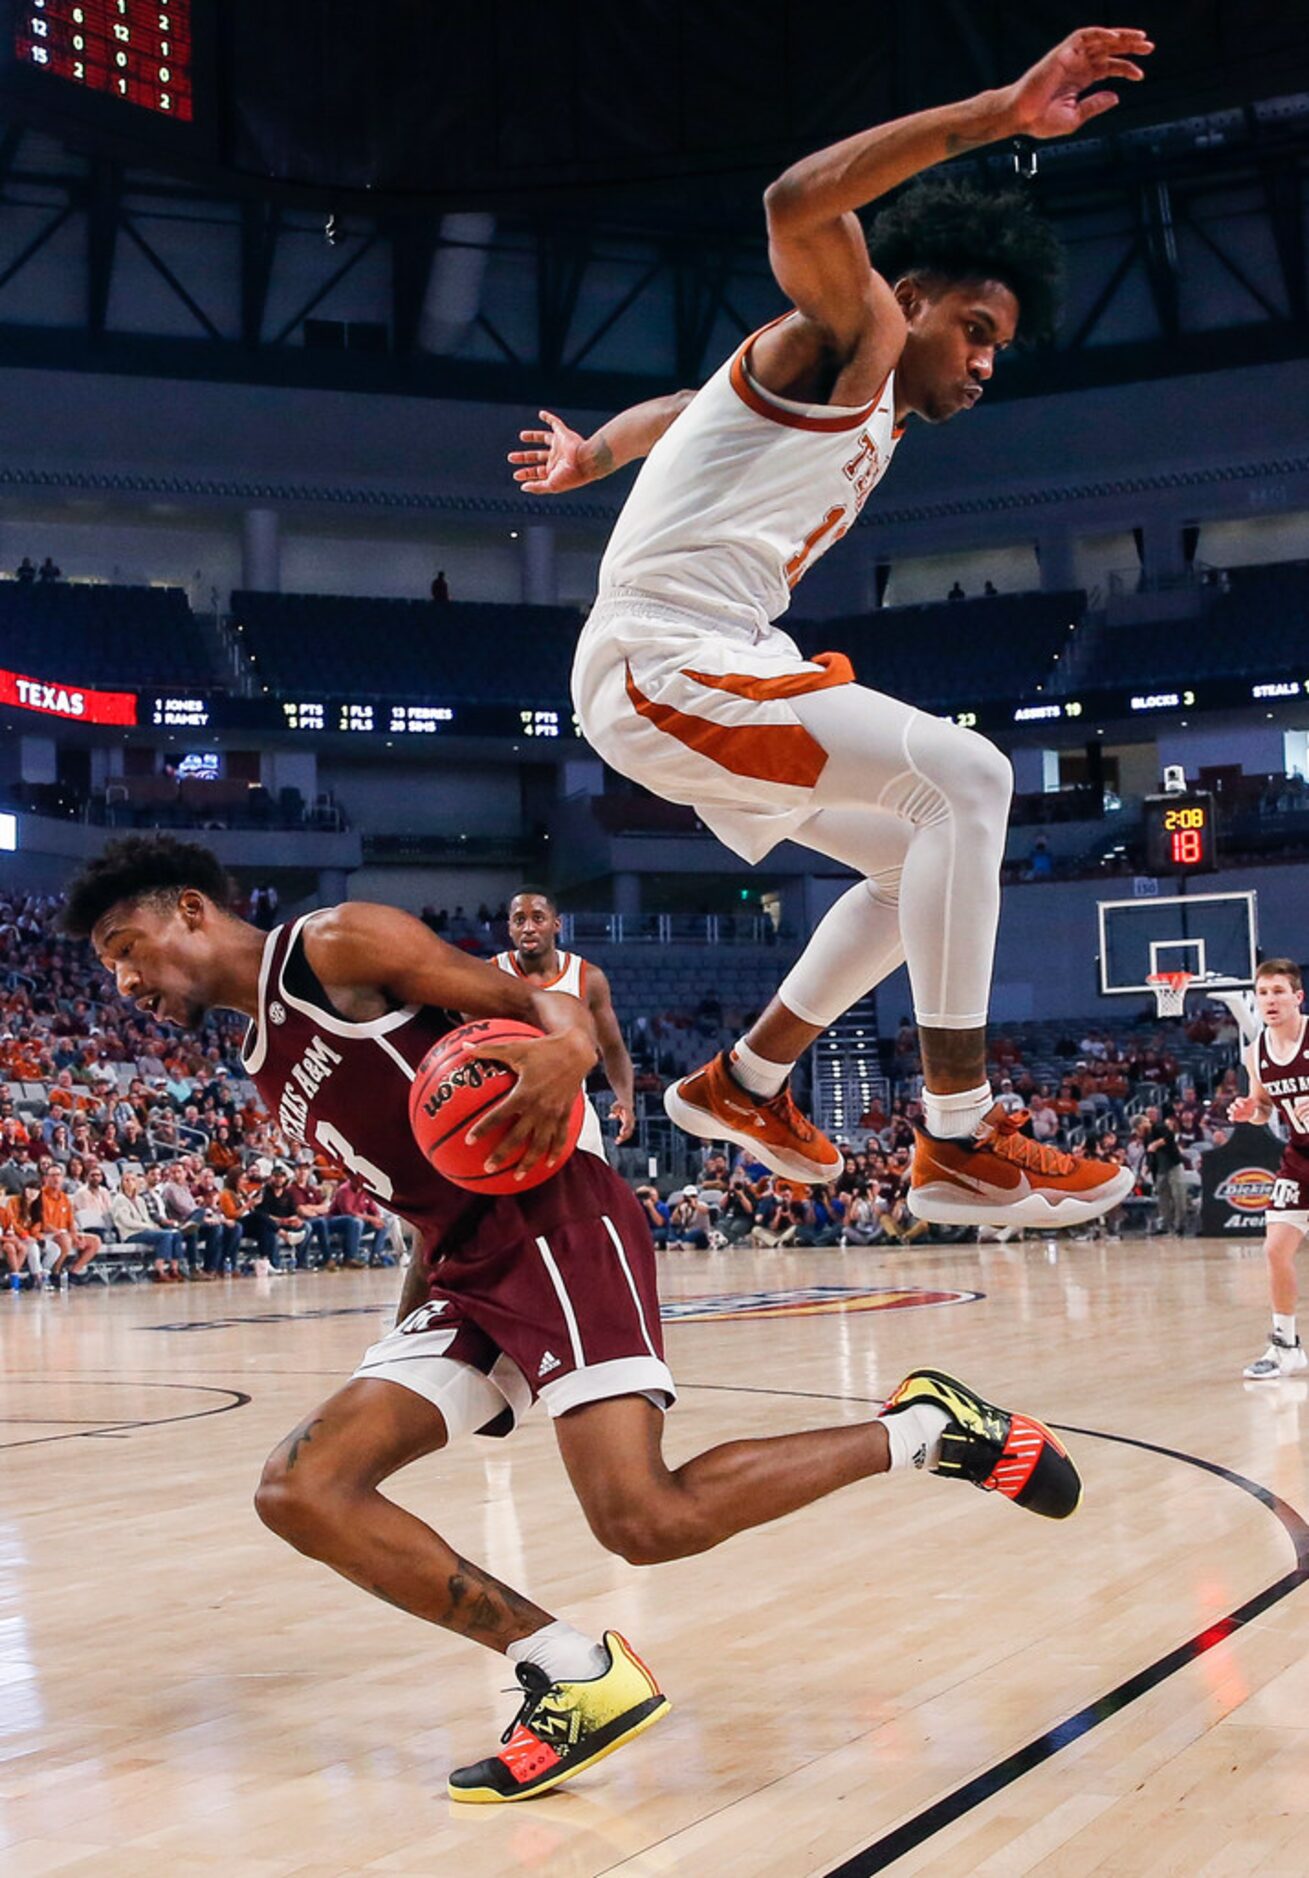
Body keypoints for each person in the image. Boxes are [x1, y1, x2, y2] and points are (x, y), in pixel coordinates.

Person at [62, 838, 1085, 1799]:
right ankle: (568, 1669)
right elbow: (423, 1194)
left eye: (124, 950)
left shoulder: (331, 947)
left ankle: (926, 1431)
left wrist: (564, 1055)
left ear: (189, 910)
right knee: (302, 1486)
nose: (124, 982)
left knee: (643, 1519)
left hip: (549, 1219)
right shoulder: (259, 1059)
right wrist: (412, 1330)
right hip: (463, 1267)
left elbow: (531, 1007)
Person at [508, 26, 1149, 1233]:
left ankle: (742, 1082)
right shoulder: (852, 333)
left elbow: (687, 408)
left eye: (995, 349)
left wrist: (602, 449)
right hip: (663, 655)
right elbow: (795, 197)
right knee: (968, 776)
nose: (982, 362)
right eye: (974, 329)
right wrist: (999, 114)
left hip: (720, 658)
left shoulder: (862, 414)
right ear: (909, 299)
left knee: (916, 863)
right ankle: (957, 1134)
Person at [493, 886, 636, 1158]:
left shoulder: (588, 978)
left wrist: (626, 1099)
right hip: (509, 1107)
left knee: (591, 1200)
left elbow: (613, 1048)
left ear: (556, 924)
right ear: (509, 928)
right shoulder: (490, 974)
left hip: (573, 1110)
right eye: (519, 920)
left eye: (538, 918)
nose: (528, 928)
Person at [1233, 960, 1309, 1380]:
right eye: (1262, 993)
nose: (1270, 1000)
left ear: (1297, 996)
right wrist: (1251, 1111)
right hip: (1300, 1159)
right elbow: (1263, 1108)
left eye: (1278, 991)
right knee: (1275, 1248)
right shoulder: (1255, 1053)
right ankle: (1285, 1347)